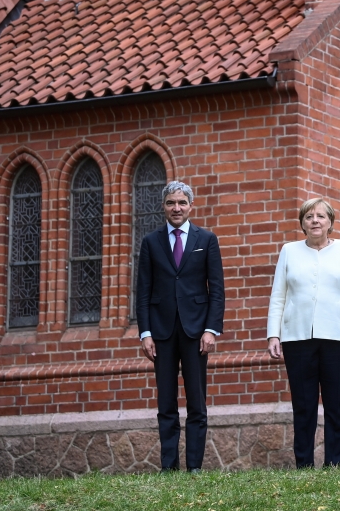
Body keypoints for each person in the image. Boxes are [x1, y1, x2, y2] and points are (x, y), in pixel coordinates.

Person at [267, 198, 340, 468]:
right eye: (309, 216)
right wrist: (273, 334)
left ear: (330, 222)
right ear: (302, 222)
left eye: (321, 216)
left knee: (337, 405)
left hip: (338, 337)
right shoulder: (289, 251)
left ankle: (334, 464)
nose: (315, 221)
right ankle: (304, 464)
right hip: (297, 338)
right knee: (303, 405)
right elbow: (279, 295)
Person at [136, 181, 225, 473]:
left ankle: (194, 466)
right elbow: (143, 291)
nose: (177, 208)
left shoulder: (206, 239)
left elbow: (217, 290)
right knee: (166, 402)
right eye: (171, 203)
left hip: (196, 332)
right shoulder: (151, 242)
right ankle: (169, 466)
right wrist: (145, 333)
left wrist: (211, 330)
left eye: (182, 203)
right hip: (161, 332)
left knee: (196, 401)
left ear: (190, 206)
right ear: (163, 206)